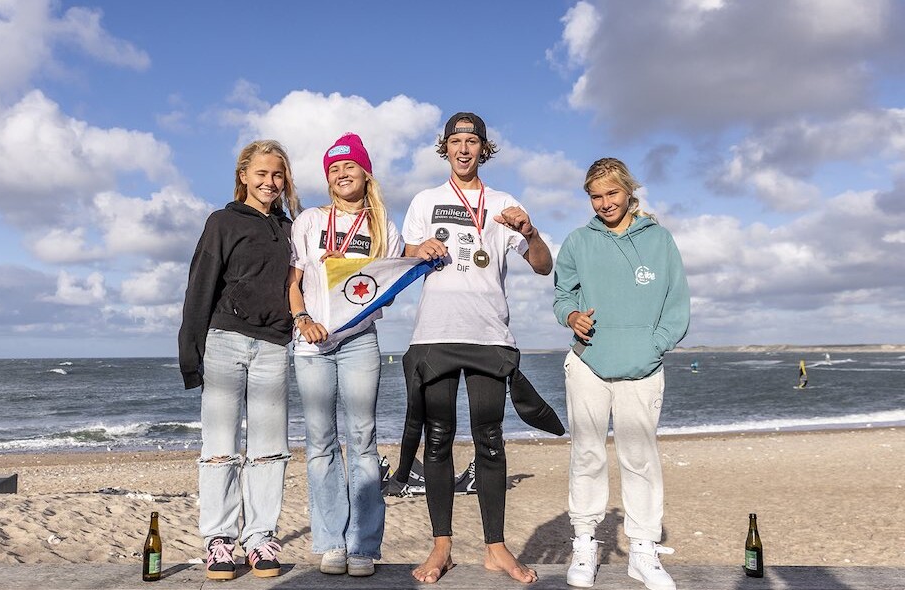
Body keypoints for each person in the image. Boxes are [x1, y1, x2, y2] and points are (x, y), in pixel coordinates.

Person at [398, 112, 559, 584]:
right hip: (435, 334)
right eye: (456, 141)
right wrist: (416, 249)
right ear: (444, 148)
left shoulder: (505, 202)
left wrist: (529, 231)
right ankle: (441, 548)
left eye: (472, 141)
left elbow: (543, 266)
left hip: (489, 336)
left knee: (490, 441)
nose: (464, 148)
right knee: (439, 439)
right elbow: (400, 254)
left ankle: (496, 549)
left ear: (483, 149)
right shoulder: (426, 200)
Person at [553, 158, 690, 590]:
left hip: (643, 366)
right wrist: (571, 315)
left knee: (640, 457)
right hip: (588, 362)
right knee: (587, 453)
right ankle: (585, 542)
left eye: (612, 193)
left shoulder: (660, 240)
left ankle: (643, 552)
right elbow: (562, 295)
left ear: (629, 192)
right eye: (596, 195)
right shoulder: (578, 241)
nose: (605, 202)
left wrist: (653, 345)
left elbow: (677, 303)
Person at [177, 139, 301, 581]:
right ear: (244, 175)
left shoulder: (291, 228)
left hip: (273, 345)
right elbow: (200, 286)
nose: (270, 182)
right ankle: (219, 540)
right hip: (224, 341)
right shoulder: (222, 222)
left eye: (278, 175)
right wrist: (190, 355)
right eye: (262, 174)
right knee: (220, 448)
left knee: (270, 449)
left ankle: (261, 536)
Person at [286, 132, 402, 577]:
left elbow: (386, 293)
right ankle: (332, 542)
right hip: (311, 342)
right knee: (319, 442)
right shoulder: (310, 221)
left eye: (349, 165)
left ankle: (363, 546)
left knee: (363, 440)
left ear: (365, 171)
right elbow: (293, 284)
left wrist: (353, 274)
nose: (341, 172)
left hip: (359, 342)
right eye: (333, 168)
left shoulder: (383, 229)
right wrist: (303, 320)